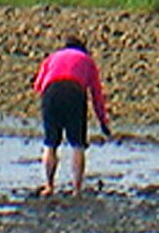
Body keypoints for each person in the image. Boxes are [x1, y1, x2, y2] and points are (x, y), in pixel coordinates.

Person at [32, 37, 113, 196]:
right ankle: (76, 189)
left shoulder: (52, 57)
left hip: (51, 92)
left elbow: (38, 86)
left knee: (51, 143)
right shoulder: (87, 61)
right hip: (74, 92)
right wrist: (103, 122)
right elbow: (96, 95)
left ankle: (49, 186)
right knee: (77, 144)